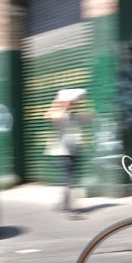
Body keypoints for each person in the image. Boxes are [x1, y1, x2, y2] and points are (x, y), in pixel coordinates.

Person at [44, 88, 93, 216]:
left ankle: (63, 203)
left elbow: (90, 116)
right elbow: (48, 115)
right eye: (71, 103)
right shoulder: (60, 116)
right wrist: (60, 103)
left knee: (68, 178)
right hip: (61, 152)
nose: (72, 105)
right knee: (70, 179)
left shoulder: (75, 116)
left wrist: (83, 101)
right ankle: (74, 207)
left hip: (73, 151)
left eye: (72, 103)